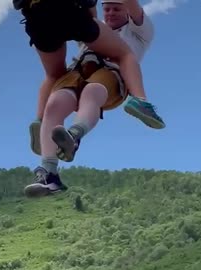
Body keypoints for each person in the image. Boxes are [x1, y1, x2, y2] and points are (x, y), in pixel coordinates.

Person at [23, 0, 160, 197]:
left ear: (127, 12)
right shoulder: (99, 29)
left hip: (111, 75)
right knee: (54, 105)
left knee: (91, 92)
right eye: (108, 9)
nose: (111, 13)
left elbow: (132, 4)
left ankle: (74, 135)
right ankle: (50, 174)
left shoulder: (139, 32)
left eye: (116, 9)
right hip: (79, 72)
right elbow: (89, 18)